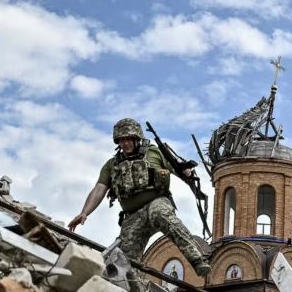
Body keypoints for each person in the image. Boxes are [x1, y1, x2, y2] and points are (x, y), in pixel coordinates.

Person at [68, 118, 211, 277]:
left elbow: (177, 167)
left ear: (137, 139)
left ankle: (197, 260)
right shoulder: (112, 165)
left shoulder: (154, 152)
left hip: (156, 202)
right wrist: (84, 212)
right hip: (133, 216)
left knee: (162, 215)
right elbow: (99, 189)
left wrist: (186, 172)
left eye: (129, 139)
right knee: (124, 261)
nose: (125, 143)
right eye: (121, 140)